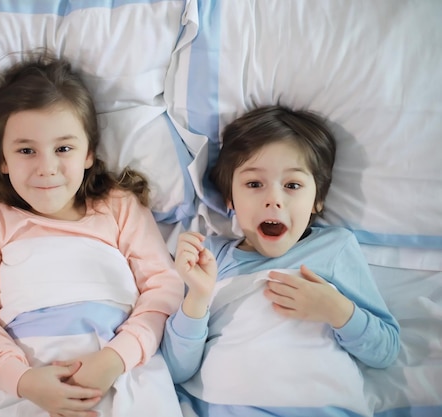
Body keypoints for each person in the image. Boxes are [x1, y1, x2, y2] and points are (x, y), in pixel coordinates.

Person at [0, 50, 184, 417]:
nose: (47, 168)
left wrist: (115, 359)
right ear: (2, 161)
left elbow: (164, 289)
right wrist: (24, 381)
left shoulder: (118, 205)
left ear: (89, 153)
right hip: (31, 380)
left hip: (124, 371)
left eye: (63, 148)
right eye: (26, 150)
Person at [161, 105, 400, 417]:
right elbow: (176, 370)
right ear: (229, 199)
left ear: (317, 199)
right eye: (254, 184)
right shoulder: (209, 257)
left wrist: (337, 310)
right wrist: (198, 297)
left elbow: (385, 352)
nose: (273, 199)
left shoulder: (334, 248)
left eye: (292, 186)